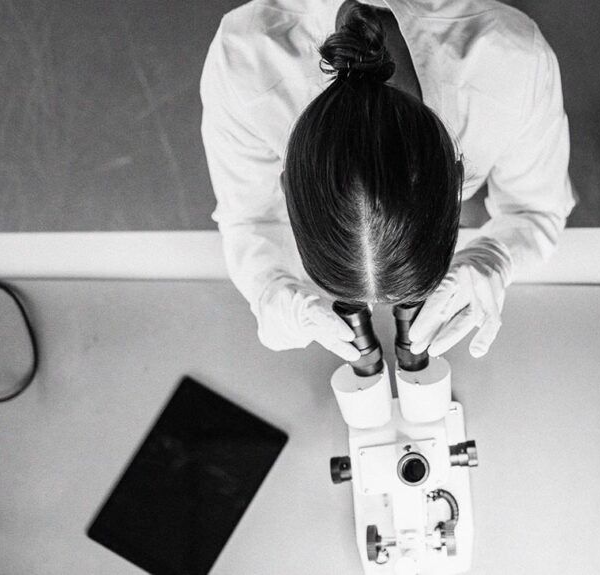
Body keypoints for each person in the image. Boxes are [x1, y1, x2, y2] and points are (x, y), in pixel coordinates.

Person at [201, 0, 575, 362]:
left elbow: (536, 207)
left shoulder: (516, 61)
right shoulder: (241, 58)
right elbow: (248, 214)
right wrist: (266, 285)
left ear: (458, 175)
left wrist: (497, 256)